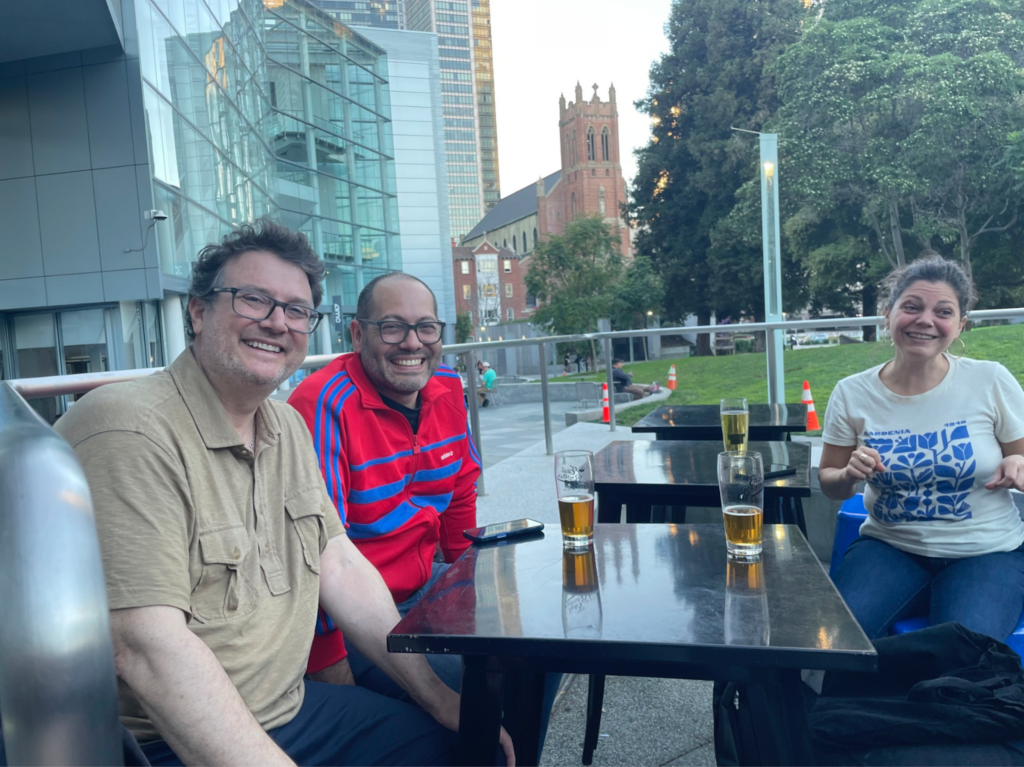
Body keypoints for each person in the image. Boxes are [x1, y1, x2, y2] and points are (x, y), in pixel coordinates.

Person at [55, 221, 513, 767]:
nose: (277, 322)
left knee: (468, 744)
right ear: (198, 313)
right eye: (253, 300)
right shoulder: (129, 429)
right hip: (167, 740)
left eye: (296, 310)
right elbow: (145, 649)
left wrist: (441, 702)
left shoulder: (283, 427)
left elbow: (340, 566)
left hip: (289, 709)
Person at [288, 272, 478, 690]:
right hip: (358, 618)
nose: (413, 343)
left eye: (426, 327)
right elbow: (315, 552)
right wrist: (333, 673)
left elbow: (461, 491)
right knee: (482, 687)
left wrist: (470, 592)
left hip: (425, 587)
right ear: (358, 335)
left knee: (540, 657)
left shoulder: (446, 386)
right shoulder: (323, 404)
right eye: (392, 327)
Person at [819, 256, 1024, 643]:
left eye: (943, 311)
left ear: (960, 324)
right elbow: (830, 483)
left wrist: (1017, 461)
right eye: (911, 306)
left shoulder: (989, 379)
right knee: (836, 642)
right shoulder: (852, 392)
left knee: (961, 658)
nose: (925, 320)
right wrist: (848, 474)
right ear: (888, 314)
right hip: (890, 547)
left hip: (987, 553)